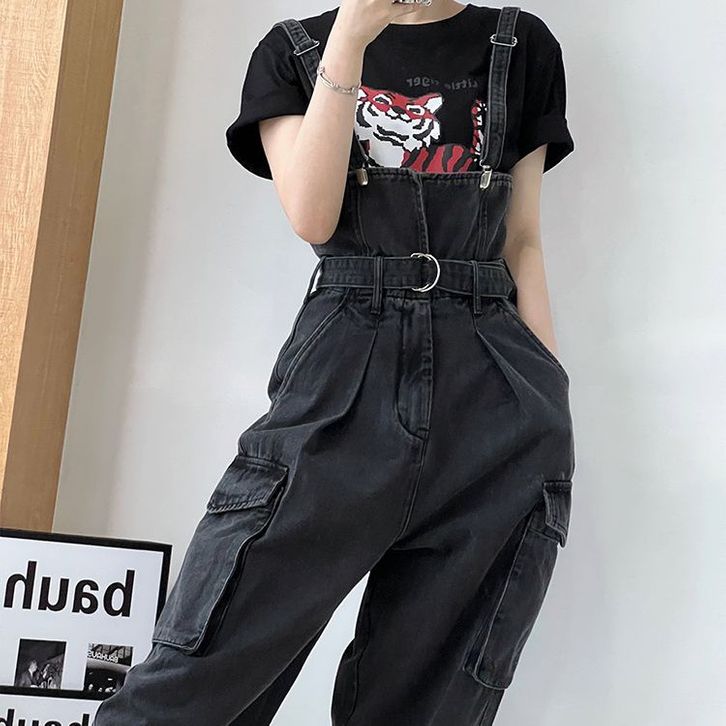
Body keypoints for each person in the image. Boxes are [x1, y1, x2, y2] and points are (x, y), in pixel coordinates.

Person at [93, 1, 577, 724]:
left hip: (495, 396)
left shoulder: (520, 43)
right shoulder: (295, 50)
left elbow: (522, 240)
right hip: (345, 377)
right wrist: (350, 37)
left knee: (431, 702)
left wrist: (547, 401)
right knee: (195, 682)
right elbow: (313, 216)